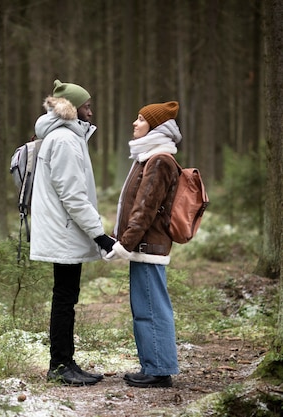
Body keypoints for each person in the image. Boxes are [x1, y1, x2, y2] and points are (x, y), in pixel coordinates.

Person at [30, 80, 115, 386]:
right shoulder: (65, 140)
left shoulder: (64, 137)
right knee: (65, 298)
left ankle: (65, 362)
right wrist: (99, 235)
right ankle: (60, 365)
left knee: (65, 297)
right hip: (65, 230)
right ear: (72, 108)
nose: (92, 112)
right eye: (87, 106)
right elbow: (73, 197)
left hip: (63, 229)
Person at [106, 101, 182, 388]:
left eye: (140, 119)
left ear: (156, 127)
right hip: (144, 246)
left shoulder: (159, 160)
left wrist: (125, 243)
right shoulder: (149, 157)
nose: (134, 123)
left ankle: (160, 370)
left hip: (148, 246)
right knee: (145, 307)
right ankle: (153, 365)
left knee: (150, 307)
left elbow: (145, 209)